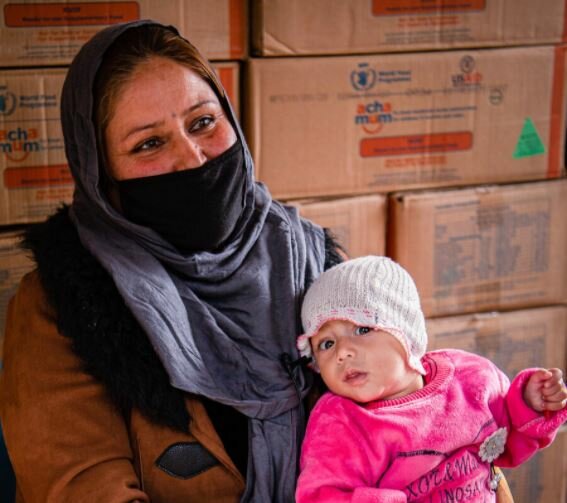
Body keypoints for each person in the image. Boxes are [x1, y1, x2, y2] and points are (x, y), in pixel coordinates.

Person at [0, 20, 346, 503]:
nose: (193, 158)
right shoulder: (63, 305)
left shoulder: (312, 263)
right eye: (149, 144)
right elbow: (82, 487)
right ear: (102, 173)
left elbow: (405, 419)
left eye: (203, 122)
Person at [295, 256, 567, 502]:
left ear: (405, 331)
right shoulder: (340, 423)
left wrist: (530, 403)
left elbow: (509, 444)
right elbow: (320, 495)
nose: (342, 352)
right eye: (326, 344)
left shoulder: (469, 379)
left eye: (363, 328)